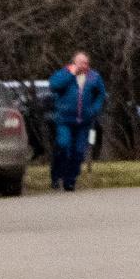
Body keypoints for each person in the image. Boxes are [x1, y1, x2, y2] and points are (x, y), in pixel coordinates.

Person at [45, 51, 107, 192]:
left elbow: (101, 95)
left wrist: (94, 109)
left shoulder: (94, 77)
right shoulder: (64, 73)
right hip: (65, 120)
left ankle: (70, 180)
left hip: (84, 122)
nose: (84, 66)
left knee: (78, 152)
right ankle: (56, 175)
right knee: (63, 145)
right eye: (81, 63)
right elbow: (54, 86)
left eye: (86, 63)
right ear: (74, 63)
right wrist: (71, 74)